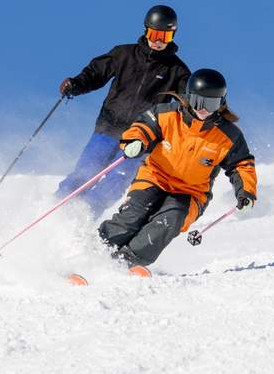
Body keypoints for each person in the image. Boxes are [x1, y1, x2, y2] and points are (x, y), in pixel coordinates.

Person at [98, 68, 257, 273]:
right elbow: (143, 126)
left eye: (211, 104)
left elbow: (242, 165)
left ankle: (126, 262)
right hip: (154, 177)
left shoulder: (228, 135)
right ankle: (98, 250)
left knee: (168, 221)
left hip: (191, 193)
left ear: (221, 103)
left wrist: (246, 192)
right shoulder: (167, 114)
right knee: (134, 213)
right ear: (188, 97)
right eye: (199, 102)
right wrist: (136, 141)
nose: (204, 109)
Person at [56, 5, 191, 214]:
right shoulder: (123, 54)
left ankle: (83, 216)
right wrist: (75, 84)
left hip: (141, 139)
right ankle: (56, 207)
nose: (158, 41)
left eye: (164, 36)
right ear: (146, 30)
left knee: (115, 183)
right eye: (154, 34)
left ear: (172, 35)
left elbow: (185, 109)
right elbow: (95, 74)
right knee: (84, 173)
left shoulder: (178, 72)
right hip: (108, 129)